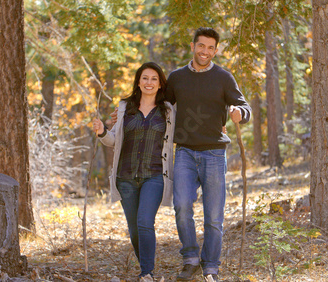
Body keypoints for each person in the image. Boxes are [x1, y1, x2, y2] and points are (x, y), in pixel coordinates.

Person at [165, 27, 252, 282]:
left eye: (210, 48)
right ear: (192, 46)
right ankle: (190, 258)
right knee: (181, 206)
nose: (205, 51)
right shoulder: (177, 77)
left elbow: (244, 106)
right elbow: (162, 106)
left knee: (214, 216)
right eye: (201, 46)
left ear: (215, 50)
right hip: (184, 152)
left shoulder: (223, 77)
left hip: (214, 153)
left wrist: (239, 113)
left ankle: (211, 266)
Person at [92, 62, 175, 282]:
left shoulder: (168, 110)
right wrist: (102, 132)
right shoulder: (124, 107)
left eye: (154, 79)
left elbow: (182, 132)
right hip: (125, 177)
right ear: (138, 82)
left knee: (145, 222)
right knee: (135, 229)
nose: (149, 83)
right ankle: (146, 268)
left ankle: (147, 273)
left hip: (155, 175)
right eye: (145, 78)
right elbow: (113, 141)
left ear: (160, 83)